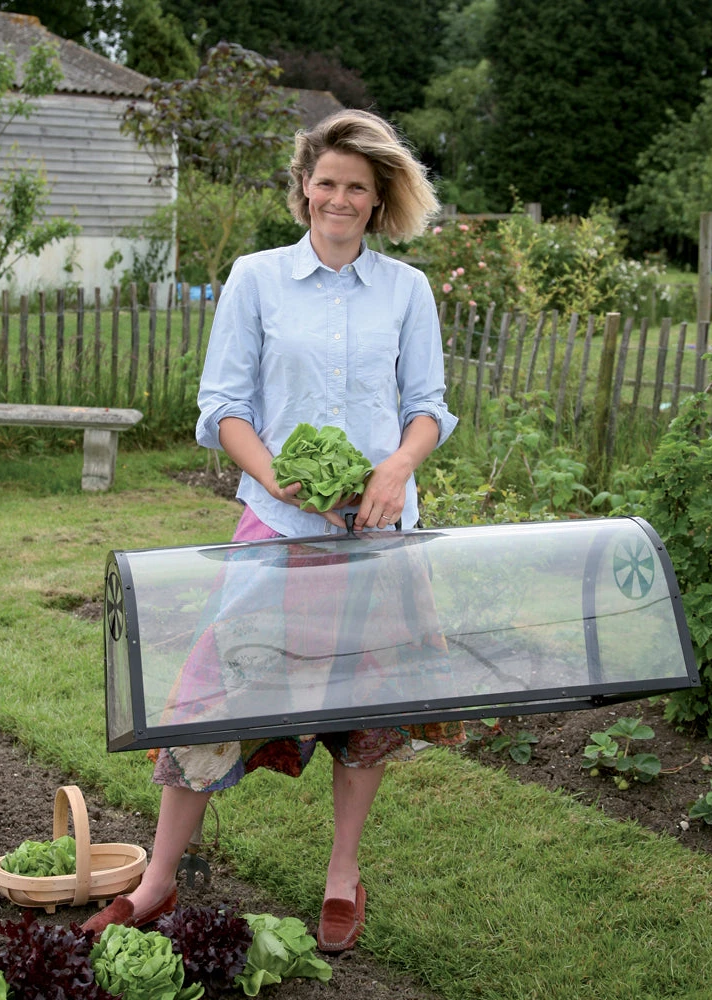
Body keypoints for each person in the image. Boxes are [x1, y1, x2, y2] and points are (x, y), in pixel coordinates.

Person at [83, 109, 458, 952]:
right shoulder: (255, 279)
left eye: (356, 187)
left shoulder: (407, 290)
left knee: (366, 710)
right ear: (303, 188)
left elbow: (428, 405)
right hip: (280, 525)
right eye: (326, 182)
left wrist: (397, 469)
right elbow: (223, 407)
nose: (339, 198)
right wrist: (277, 476)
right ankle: (158, 880)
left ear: (378, 199)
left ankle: (341, 876)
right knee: (210, 697)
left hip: (378, 535)